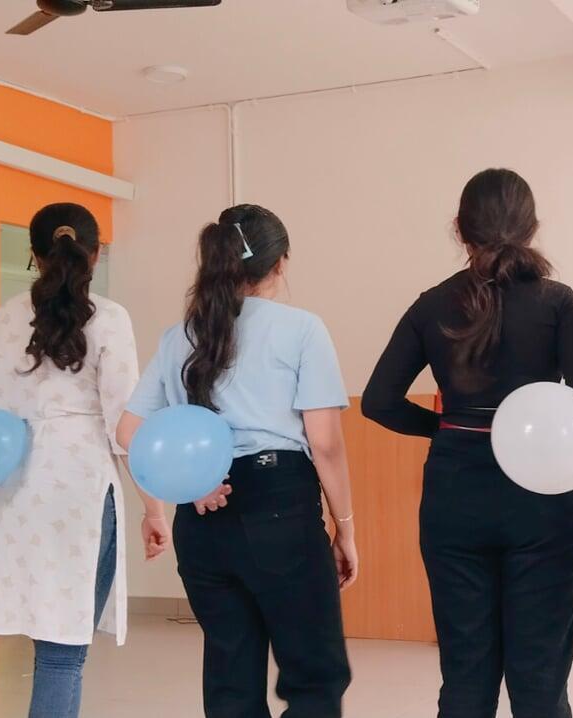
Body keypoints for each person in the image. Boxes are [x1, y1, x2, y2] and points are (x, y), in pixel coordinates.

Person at [363, 168, 573, 718]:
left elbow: (378, 401)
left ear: (460, 228)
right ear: (532, 227)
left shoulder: (430, 305)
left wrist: (445, 428)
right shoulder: (558, 302)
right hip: (544, 500)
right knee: (540, 682)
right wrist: (537, 428)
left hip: (456, 494)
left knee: (465, 677)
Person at [117, 204, 357, 718]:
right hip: (280, 508)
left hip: (202, 516)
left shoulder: (180, 336)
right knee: (314, 677)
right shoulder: (302, 329)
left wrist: (179, 494)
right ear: (280, 263)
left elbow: (128, 433)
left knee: (231, 682)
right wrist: (346, 528)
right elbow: (325, 444)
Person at [0, 203, 157, 717]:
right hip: (80, 489)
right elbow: (124, 424)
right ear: (96, 253)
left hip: (13, 490)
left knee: (47, 645)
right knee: (64, 654)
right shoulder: (109, 318)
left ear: (34, 255)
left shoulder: (0, 321)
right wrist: (154, 509)